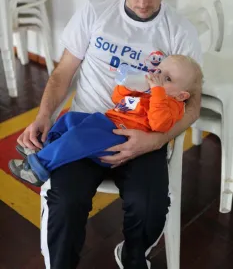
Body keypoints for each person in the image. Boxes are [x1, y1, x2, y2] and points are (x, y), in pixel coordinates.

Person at [17, 0, 202, 269]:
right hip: (90, 124)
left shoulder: (180, 31)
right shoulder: (95, 11)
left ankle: (132, 257)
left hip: (142, 130)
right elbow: (62, 73)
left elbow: (193, 106)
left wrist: (154, 140)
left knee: (149, 206)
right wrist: (45, 115)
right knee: (65, 201)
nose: (143, 2)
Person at [10, 55, 203, 187]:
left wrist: (157, 92)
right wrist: (126, 85)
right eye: (159, 70)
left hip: (118, 136)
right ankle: (44, 146)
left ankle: (38, 169)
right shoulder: (147, 92)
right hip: (106, 121)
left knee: (78, 137)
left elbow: (159, 124)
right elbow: (118, 100)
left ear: (181, 95)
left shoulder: (172, 106)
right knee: (69, 119)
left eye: (167, 78)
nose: (158, 77)